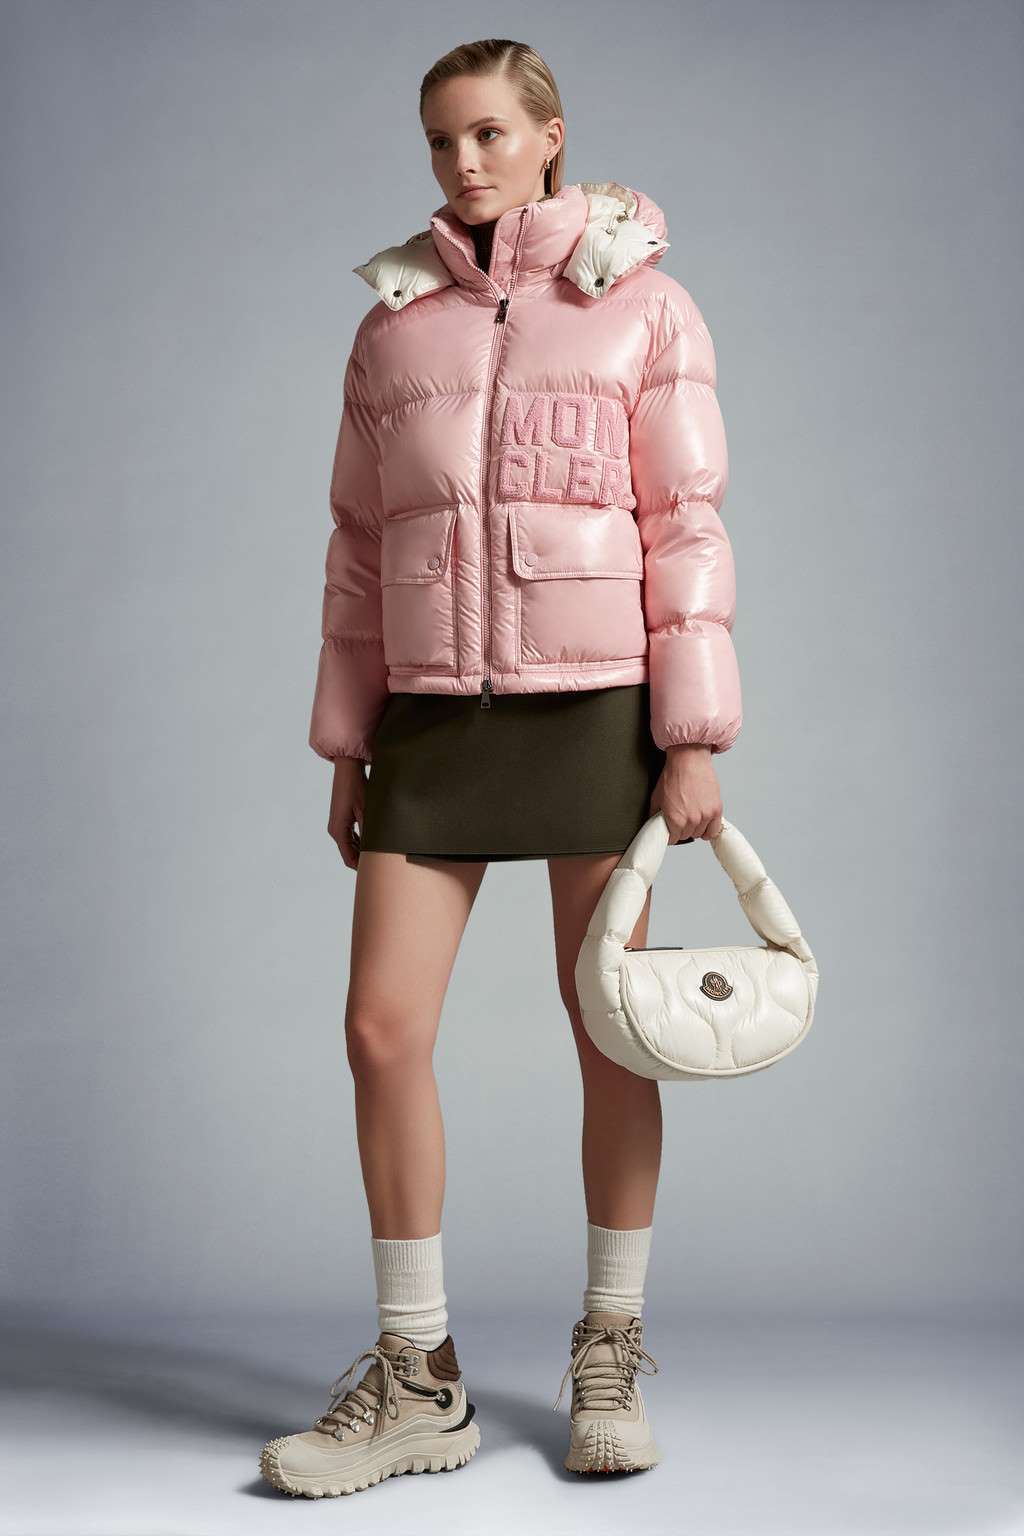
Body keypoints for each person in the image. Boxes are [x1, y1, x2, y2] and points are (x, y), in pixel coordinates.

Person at [259, 36, 741, 1500]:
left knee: (612, 1031)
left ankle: (611, 1345)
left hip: (595, 707)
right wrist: (349, 741)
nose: (461, 163)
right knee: (380, 1029)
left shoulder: (644, 307)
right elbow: (357, 549)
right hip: (430, 715)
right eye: (438, 141)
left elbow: (686, 528)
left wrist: (692, 733)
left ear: (550, 137)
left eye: (485, 134)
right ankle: (420, 1376)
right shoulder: (391, 330)